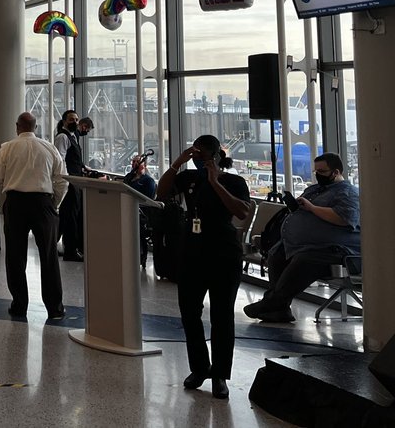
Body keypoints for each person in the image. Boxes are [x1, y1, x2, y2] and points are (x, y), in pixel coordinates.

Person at [157, 135, 252, 401]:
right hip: (191, 252)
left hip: (223, 253)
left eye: (204, 156)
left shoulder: (234, 181)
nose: (199, 160)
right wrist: (178, 163)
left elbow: (242, 211)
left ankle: (220, 375)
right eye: (195, 156)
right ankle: (199, 368)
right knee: (189, 314)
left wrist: (215, 181)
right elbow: (161, 192)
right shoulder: (188, 178)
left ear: (217, 157)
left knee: (222, 316)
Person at [243, 152, 361, 323]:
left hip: (331, 248)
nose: (318, 175)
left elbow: (344, 218)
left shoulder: (348, 193)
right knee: (277, 255)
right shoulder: (315, 189)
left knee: (304, 260)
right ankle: (280, 309)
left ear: (335, 172)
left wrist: (312, 208)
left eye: (322, 171)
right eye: (316, 172)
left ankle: (270, 302)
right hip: (299, 245)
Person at [0, 112, 68, 320]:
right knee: (49, 257)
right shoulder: (49, 148)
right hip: (43, 203)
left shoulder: (7, 148)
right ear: (35, 127)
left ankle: (19, 305)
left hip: (15, 203)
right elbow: (62, 180)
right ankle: (55, 308)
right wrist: (54, 203)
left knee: (15, 256)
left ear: (17, 127)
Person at [54, 111, 90, 261]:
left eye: (76, 119)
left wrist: (83, 168)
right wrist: (65, 181)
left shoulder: (73, 136)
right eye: (71, 120)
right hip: (69, 183)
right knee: (70, 217)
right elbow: (60, 160)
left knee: (65, 217)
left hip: (75, 181)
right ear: (63, 121)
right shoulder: (63, 137)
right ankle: (71, 250)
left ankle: (52, 245)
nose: (75, 122)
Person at [123, 154, 157, 267]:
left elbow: (148, 199)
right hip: (126, 208)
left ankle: (141, 255)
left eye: (137, 162)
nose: (134, 164)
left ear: (144, 165)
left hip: (141, 213)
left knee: (138, 226)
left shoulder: (148, 181)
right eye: (133, 162)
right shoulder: (129, 177)